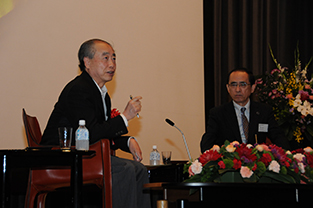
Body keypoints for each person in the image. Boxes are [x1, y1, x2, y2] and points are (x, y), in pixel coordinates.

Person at [41, 39, 151, 208]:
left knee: (139, 169)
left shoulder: (102, 94)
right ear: (87, 62)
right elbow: (90, 133)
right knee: (124, 169)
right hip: (63, 156)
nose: (112, 64)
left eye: (114, 58)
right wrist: (125, 117)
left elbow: (102, 131)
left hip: (84, 153)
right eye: (105, 58)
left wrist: (127, 141)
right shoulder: (79, 89)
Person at [200, 68, 290, 153]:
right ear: (228, 88)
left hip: (257, 163)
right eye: (233, 85)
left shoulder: (264, 111)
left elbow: (279, 137)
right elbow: (207, 143)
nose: (238, 90)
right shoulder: (218, 113)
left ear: (252, 88)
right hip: (231, 164)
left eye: (243, 85)